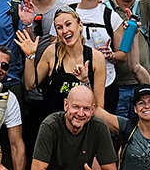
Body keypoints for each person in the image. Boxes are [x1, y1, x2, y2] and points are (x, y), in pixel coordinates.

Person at [16, 10, 101, 160]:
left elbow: (98, 107)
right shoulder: (51, 52)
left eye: (69, 24)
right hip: (53, 127)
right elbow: (30, 85)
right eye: (59, 27)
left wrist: (84, 81)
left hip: (82, 130)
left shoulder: (95, 58)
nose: (65, 31)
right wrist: (30, 56)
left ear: (80, 25)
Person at [104, 0, 150, 128]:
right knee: (116, 129)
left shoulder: (143, 7)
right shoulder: (105, 9)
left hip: (141, 82)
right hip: (117, 84)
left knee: (141, 128)